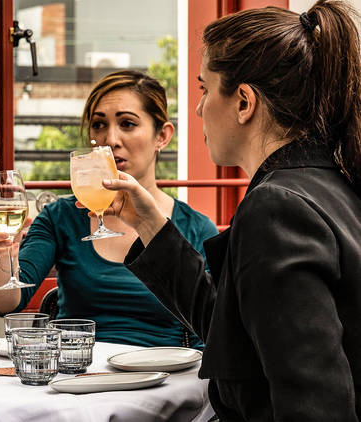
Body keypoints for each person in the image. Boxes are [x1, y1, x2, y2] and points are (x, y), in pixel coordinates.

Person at [105, 1, 361, 419]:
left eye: (205, 89)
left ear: (244, 102)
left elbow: (314, 404)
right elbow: (240, 343)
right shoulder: (335, 183)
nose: (200, 108)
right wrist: (152, 226)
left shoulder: (278, 208)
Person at [0, 70, 218, 348]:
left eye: (128, 124)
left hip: (164, 378)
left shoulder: (196, 228)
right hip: (81, 375)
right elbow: (8, 304)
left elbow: (210, 330)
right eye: (98, 125)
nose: (110, 138)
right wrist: (6, 255)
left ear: (163, 136)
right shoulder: (61, 217)